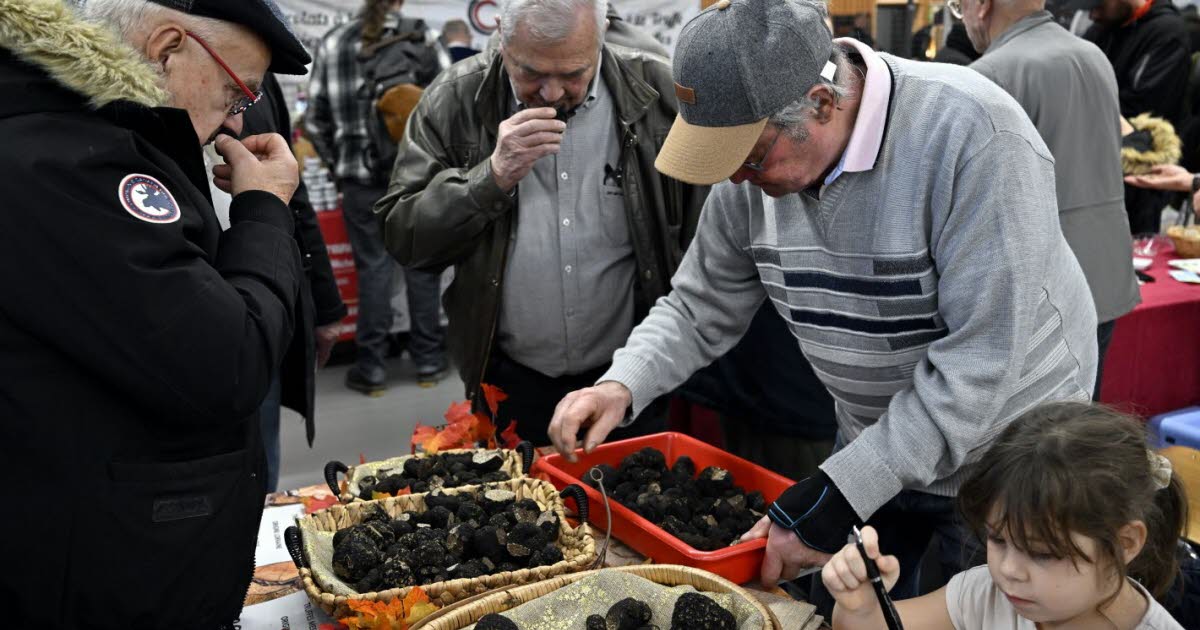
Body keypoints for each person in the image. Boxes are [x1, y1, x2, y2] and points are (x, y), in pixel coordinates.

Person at [547, 0, 1097, 611]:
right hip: (879, 437)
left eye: (749, 156)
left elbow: (980, 363)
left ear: (821, 103)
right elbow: (700, 303)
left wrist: (841, 493)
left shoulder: (973, 134)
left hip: (1008, 456)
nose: (736, 179)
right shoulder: (753, 179)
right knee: (849, 611)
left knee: (976, 616)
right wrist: (622, 384)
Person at [0, 0, 309, 626]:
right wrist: (264, 208)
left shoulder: (58, 132)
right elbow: (228, 363)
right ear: (168, 49)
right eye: (236, 91)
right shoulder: (68, 157)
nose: (234, 118)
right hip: (91, 573)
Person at [375, 0, 707, 446]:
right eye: (530, 72)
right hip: (509, 377)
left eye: (573, 74)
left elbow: (707, 246)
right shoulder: (454, 98)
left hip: (630, 374)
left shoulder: (658, 91)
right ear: (502, 37)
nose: (551, 93)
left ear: (602, 36)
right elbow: (404, 236)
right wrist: (490, 179)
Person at [821, 402, 1186, 629]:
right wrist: (861, 603)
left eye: (1042, 553)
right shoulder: (986, 594)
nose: (1008, 569)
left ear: (1125, 543)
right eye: (997, 538)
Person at [960, 0, 1140, 400]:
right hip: (1104, 274)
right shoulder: (1093, 56)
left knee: (1033, 432)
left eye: (960, 5)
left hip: (1041, 292)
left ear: (983, 5)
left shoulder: (990, 75)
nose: (963, 18)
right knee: (1080, 419)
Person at [306, 0, 446, 395]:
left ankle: (372, 369)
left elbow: (314, 120)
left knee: (373, 271)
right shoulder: (423, 36)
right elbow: (448, 110)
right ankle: (429, 361)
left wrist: (341, 167)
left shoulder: (334, 42)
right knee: (422, 268)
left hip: (361, 183)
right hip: (417, 180)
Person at [225, 73, 348, 492]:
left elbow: (293, 197)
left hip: (255, 305)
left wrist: (325, 304)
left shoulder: (262, 80)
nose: (235, 120)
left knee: (260, 456)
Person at [1083, 0, 1191, 234]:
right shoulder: (1101, 31)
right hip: (1092, 173)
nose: (1092, 15)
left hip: (1139, 180)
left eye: (1098, 5)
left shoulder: (1167, 34)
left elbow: (1143, 107)